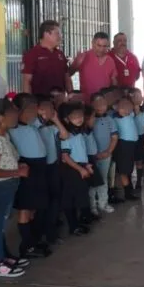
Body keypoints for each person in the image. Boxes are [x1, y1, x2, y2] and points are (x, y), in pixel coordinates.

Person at [0, 97, 30, 277]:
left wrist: (18, 168)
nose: (16, 116)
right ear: (0, 118)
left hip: (10, 184)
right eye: (12, 114)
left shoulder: (4, 135)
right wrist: (18, 172)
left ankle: (5, 255)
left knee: (2, 222)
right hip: (3, 186)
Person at [8, 94, 51, 259]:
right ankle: (26, 245)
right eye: (31, 109)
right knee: (25, 208)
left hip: (39, 167)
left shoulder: (34, 124)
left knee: (33, 207)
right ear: (18, 111)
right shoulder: (13, 129)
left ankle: (33, 240)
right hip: (27, 167)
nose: (35, 112)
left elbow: (46, 117)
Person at [33, 96, 70, 247]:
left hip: (53, 166)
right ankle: (39, 234)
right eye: (43, 108)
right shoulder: (33, 126)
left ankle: (51, 232)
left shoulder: (51, 126)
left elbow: (65, 135)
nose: (47, 111)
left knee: (55, 199)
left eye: (50, 108)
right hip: (40, 168)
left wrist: (55, 119)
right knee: (41, 202)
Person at [59, 101, 99, 236]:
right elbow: (65, 157)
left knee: (80, 196)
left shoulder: (79, 133)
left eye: (80, 115)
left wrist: (86, 165)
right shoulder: (66, 135)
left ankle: (79, 222)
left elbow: (81, 152)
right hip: (71, 169)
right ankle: (73, 226)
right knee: (70, 198)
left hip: (80, 167)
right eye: (75, 116)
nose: (79, 118)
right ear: (66, 119)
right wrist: (80, 169)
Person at [21, 20, 72, 95]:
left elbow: (67, 77)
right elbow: (27, 81)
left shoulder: (60, 54)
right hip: (41, 102)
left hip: (60, 101)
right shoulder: (32, 54)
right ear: (46, 34)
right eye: (57, 33)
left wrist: (71, 94)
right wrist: (29, 103)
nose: (61, 36)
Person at [90, 94, 119, 207]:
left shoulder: (110, 120)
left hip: (106, 155)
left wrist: (108, 152)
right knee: (92, 182)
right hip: (91, 156)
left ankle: (103, 203)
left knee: (103, 179)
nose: (101, 107)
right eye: (97, 104)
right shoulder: (88, 119)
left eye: (103, 104)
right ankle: (92, 206)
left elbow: (114, 137)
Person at [71, 32, 117, 99]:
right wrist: (71, 92)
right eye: (99, 45)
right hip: (86, 102)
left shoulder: (110, 60)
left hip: (104, 103)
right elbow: (68, 73)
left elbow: (114, 81)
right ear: (92, 43)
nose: (101, 49)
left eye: (105, 46)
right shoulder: (84, 56)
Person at [113, 97, 141, 200]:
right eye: (123, 106)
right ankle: (128, 193)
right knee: (124, 171)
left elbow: (136, 107)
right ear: (117, 108)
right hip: (123, 146)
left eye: (129, 106)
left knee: (128, 169)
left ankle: (130, 190)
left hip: (132, 145)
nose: (127, 108)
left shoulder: (131, 115)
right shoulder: (116, 119)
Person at [130, 88, 144, 190]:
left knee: (139, 161)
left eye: (139, 96)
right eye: (135, 96)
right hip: (130, 139)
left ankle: (138, 181)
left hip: (141, 138)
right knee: (130, 162)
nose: (137, 98)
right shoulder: (128, 112)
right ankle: (129, 183)